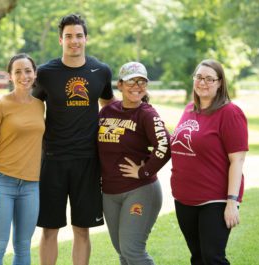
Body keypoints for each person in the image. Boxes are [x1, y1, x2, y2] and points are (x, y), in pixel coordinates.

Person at [32, 14, 115, 265]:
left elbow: (109, 105)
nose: (74, 41)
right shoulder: (46, 73)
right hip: (53, 160)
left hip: (87, 162)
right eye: (69, 36)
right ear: (61, 40)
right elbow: (32, 110)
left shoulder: (100, 71)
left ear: (86, 38)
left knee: (82, 229)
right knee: (49, 230)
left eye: (79, 35)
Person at [170, 59, 248, 264]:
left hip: (215, 200)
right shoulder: (189, 109)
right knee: (197, 258)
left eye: (209, 79)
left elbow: (237, 160)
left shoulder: (230, 113)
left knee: (213, 258)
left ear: (220, 83)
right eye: (199, 77)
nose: (202, 82)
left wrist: (232, 201)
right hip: (184, 198)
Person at [97, 62, 171, 265]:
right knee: (122, 251)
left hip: (139, 189)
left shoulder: (147, 114)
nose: (136, 86)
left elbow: (165, 145)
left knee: (133, 251)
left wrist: (144, 171)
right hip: (110, 193)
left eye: (141, 81)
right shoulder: (107, 112)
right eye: (131, 81)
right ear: (120, 85)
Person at [0, 53, 45, 265]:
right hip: (3, 184)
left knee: (23, 245)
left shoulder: (40, 105)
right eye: (17, 72)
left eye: (28, 71)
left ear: (35, 74)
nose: (23, 76)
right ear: (10, 76)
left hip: (31, 186)